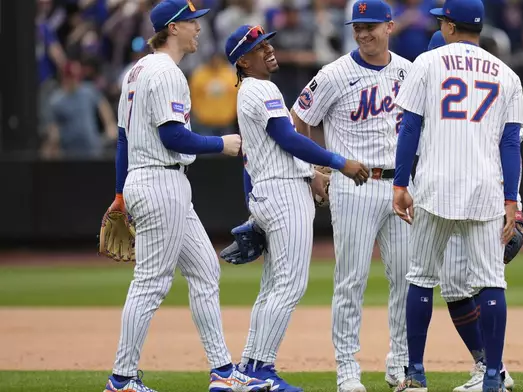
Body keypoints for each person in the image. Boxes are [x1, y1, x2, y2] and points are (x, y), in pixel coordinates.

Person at [102, 1, 272, 391]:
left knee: (204, 270)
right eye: (193, 22)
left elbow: (124, 141)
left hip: (152, 180)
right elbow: (172, 136)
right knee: (150, 282)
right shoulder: (166, 72)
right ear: (174, 28)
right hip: (161, 181)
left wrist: (119, 193)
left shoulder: (135, 71)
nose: (199, 28)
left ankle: (223, 374)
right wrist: (222, 143)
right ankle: (122, 378)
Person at [224, 24, 370, 392]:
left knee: (273, 286)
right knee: (289, 285)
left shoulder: (249, 91)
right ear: (243, 59)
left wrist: (309, 176)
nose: (269, 50)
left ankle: (248, 369)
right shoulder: (262, 88)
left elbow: (259, 154)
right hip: (284, 195)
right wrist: (339, 163)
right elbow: (288, 139)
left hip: (274, 190)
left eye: (268, 43)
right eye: (259, 47)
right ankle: (259, 371)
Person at [391, 0, 523, 390]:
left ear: (449, 25)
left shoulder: (427, 64)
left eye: (442, 19)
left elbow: (410, 129)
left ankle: (415, 375)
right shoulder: (507, 74)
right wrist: (511, 200)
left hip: (434, 186)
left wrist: (401, 184)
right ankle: (492, 376)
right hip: (486, 190)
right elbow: (511, 146)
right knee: (490, 282)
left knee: (420, 278)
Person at [290, 1, 412, 391]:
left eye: (371, 26)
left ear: (389, 26)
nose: (362, 33)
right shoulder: (334, 73)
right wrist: (314, 170)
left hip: (399, 185)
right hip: (354, 186)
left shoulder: (410, 72)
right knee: (351, 280)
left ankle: (401, 363)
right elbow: (299, 120)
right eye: (357, 26)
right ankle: (347, 368)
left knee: (407, 279)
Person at [425, 30, 523, 392]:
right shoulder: (495, 80)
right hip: (463, 199)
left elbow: (506, 149)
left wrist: (514, 202)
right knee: (455, 285)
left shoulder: (452, 87)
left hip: (477, 200)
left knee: (469, 282)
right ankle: (489, 368)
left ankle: (491, 370)